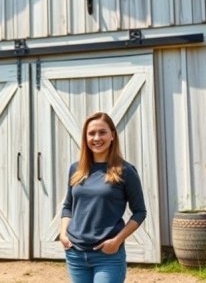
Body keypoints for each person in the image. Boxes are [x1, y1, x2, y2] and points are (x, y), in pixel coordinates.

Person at [60, 111, 147, 283]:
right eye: (91, 133)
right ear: (85, 138)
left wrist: (116, 241)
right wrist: (63, 234)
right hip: (75, 254)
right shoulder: (76, 169)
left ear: (112, 135)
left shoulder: (125, 171)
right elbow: (68, 206)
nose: (97, 137)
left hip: (108, 256)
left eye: (102, 132)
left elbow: (139, 212)